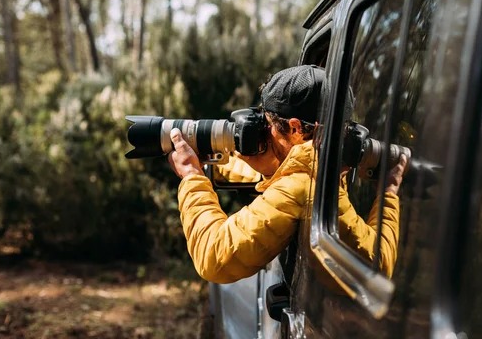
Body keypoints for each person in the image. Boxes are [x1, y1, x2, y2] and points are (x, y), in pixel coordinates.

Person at [168, 65, 407, 284]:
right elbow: (281, 180)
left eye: (267, 123)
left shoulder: (301, 186)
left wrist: (191, 175)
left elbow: (213, 257)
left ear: (294, 128)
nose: (263, 131)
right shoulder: (324, 170)